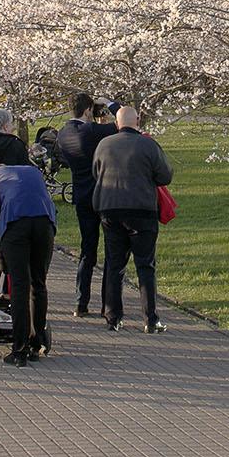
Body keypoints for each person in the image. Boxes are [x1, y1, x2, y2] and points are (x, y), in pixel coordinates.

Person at [92, 106, 171, 333]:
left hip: (110, 208)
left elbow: (96, 173)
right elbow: (165, 175)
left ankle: (113, 317)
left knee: (114, 264)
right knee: (145, 265)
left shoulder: (104, 145)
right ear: (137, 120)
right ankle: (150, 318)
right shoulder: (148, 145)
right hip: (141, 209)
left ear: (117, 123)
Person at [0, 159, 57, 366]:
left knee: (20, 284)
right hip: (45, 223)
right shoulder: (33, 171)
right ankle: (37, 343)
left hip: (16, 223)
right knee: (38, 284)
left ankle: (19, 350)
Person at [56, 92, 117, 317]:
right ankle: (108, 304)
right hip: (103, 196)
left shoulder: (64, 133)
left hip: (81, 196)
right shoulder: (91, 131)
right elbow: (125, 121)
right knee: (111, 250)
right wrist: (109, 103)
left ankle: (81, 302)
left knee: (87, 250)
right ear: (88, 110)